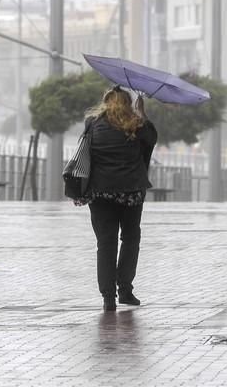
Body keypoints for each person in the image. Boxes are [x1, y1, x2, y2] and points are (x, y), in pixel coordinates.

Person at [77, 85, 158, 311]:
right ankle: (125, 289)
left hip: (100, 193)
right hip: (131, 193)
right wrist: (142, 113)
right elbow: (152, 140)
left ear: (106, 102)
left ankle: (108, 298)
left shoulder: (92, 124)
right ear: (127, 103)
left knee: (105, 243)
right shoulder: (138, 125)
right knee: (131, 239)